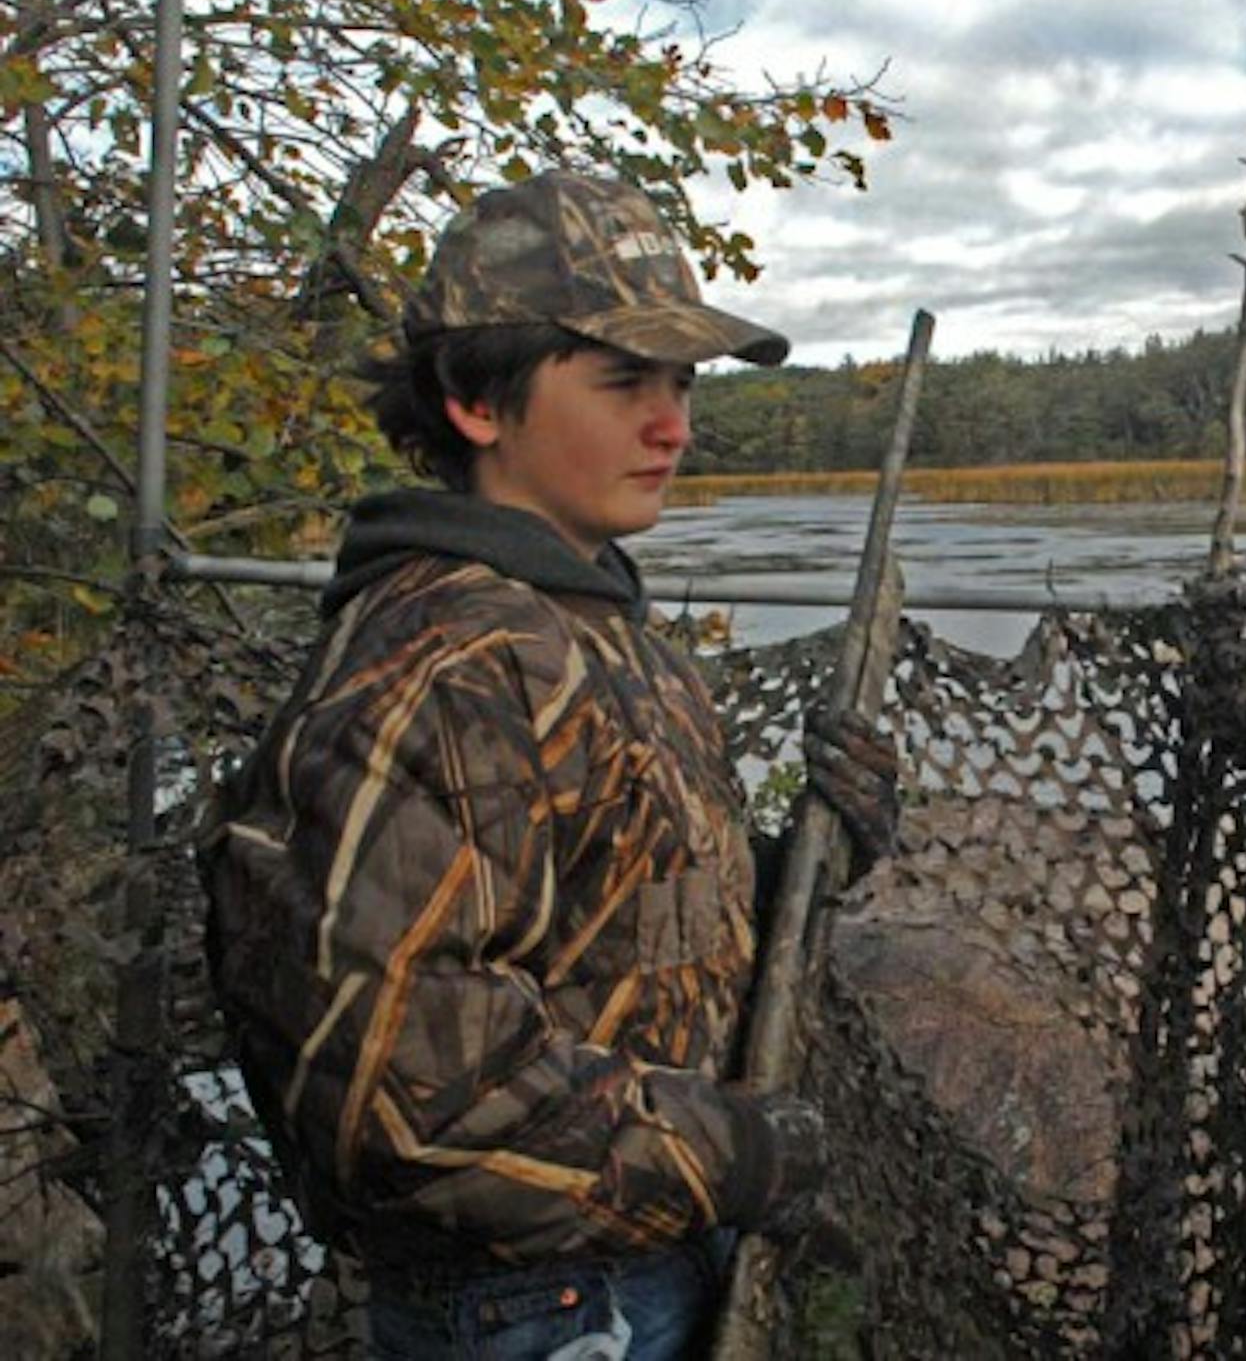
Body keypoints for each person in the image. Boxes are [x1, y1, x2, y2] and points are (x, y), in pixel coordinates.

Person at [198, 170, 898, 1359]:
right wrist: (732, 1152)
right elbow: (412, 1100)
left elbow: (608, 934)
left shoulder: (594, 629)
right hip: (537, 1313)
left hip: (637, 1267)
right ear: (477, 397)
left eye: (680, 383)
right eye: (625, 381)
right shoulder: (450, 658)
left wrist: (802, 870)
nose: (673, 423)